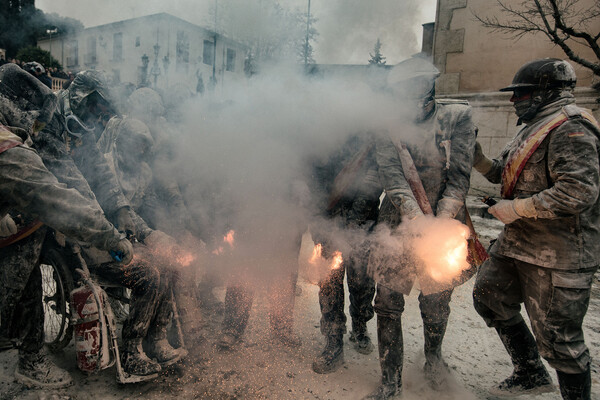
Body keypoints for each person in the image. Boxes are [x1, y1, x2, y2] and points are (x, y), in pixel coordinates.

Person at [32, 70, 185, 379]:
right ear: (81, 97)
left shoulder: (85, 133)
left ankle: (155, 341)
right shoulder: (50, 124)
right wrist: (113, 233)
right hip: (74, 229)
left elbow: (103, 179)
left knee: (170, 262)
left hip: (97, 226)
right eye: (94, 109)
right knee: (147, 274)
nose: (96, 118)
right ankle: (130, 352)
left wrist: (132, 220)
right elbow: (80, 190)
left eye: (101, 114)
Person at [472, 58, 599, 400]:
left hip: (558, 252)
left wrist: (513, 209)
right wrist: (481, 161)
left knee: (560, 339)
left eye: (522, 93)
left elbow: (578, 192)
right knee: (489, 296)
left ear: (548, 92)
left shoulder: (571, 129)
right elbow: (508, 174)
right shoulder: (533, 127)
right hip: (517, 242)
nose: (515, 100)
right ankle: (530, 373)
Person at [0, 63, 133, 389]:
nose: (35, 130)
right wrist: (110, 238)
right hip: (51, 207)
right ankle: (24, 352)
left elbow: (95, 175)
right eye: (34, 123)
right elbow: (58, 200)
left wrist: (121, 208)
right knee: (23, 262)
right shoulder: (12, 150)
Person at [365, 56, 476, 399]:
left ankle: (433, 360)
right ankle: (390, 381)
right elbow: (393, 179)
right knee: (386, 302)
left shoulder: (457, 116)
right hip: (396, 224)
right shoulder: (387, 122)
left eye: (415, 85)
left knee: (436, 303)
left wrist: (440, 224)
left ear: (430, 85)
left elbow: (459, 177)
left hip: (445, 221)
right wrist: (417, 221)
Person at [308, 132, 381, 374]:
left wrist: (352, 221)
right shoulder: (319, 133)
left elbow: (373, 180)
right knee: (328, 284)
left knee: (361, 284)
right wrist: (319, 219)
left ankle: (360, 326)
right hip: (327, 219)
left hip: (362, 221)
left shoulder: (366, 131)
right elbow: (310, 178)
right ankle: (333, 341)